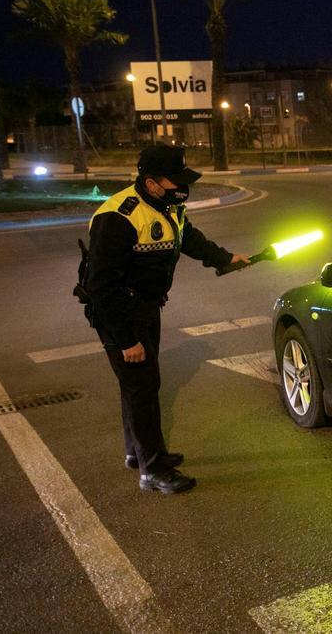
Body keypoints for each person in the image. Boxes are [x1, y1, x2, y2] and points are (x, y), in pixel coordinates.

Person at [85, 145, 249, 494]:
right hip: (119, 313)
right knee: (142, 387)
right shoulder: (118, 217)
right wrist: (126, 339)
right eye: (173, 181)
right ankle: (153, 471)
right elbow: (101, 286)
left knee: (137, 386)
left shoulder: (167, 207)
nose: (181, 187)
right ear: (151, 182)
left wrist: (224, 258)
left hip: (146, 307)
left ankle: (139, 453)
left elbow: (188, 238)